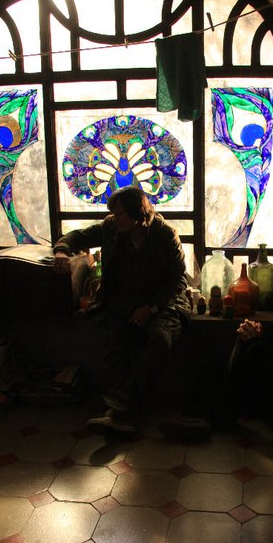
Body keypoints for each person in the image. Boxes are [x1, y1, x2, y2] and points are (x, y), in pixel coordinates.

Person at [53, 185, 191, 433]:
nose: (115, 218)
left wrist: (151, 308)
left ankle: (123, 412)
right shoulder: (111, 229)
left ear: (137, 215)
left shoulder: (164, 235)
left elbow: (177, 279)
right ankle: (122, 411)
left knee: (160, 340)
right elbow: (77, 237)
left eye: (120, 214)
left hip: (163, 303)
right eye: (113, 213)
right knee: (115, 341)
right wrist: (62, 251)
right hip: (123, 302)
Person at [159, 275, 273, 441]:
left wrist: (256, 341)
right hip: (272, 385)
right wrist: (253, 335)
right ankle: (191, 418)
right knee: (214, 369)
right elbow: (271, 355)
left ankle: (212, 416)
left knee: (241, 359)